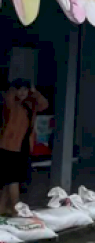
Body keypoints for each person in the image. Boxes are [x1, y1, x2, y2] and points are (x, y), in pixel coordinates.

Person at [0, 79, 48, 216]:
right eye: (19, 89)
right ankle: (16, 208)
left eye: (25, 90)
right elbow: (8, 97)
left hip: (23, 146)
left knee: (10, 180)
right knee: (12, 179)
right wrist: (13, 90)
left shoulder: (30, 104)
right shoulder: (11, 104)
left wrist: (34, 92)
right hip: (9, 146)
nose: (22, 93)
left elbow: (44, 105)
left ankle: (2, 208)